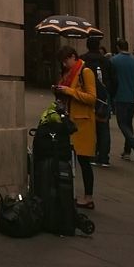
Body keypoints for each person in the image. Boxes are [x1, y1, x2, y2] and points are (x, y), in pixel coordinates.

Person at [54, 44, 97, 208]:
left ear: (73, 57)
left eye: (66, 61)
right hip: (69, 122)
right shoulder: (68, 74)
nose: (64, 65)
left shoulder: (85, 72)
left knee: (84, 161)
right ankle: (69, 192)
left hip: (83, 122)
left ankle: (89, 197)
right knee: (70, 159)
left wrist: (69, 91)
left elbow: (92, 98)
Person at [81, 37, 116, 167]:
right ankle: (104, 157)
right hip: (103, 98)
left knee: (89, 126)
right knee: (103, 127)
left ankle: (90, 152)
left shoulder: (83, 60)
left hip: (87, 97)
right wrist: (110, 95)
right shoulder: (106, 61)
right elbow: (114, 79)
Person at [109, 38, 134, 163]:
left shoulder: (114, 60)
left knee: (122, 124)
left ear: (118, 47)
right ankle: (127, 151)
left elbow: (111, 78)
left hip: (120, 96)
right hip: (133, 96)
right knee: (128, 123)